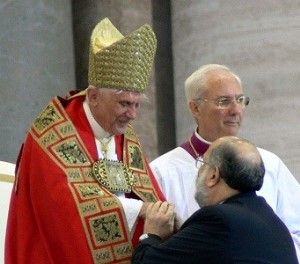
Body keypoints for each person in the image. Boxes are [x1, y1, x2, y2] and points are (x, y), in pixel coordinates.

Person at [5, 18, 165, 264]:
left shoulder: (124, 133)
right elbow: (64, 209)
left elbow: (148, 194)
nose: (132, 115)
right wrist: (141, 211)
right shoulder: (53, 134)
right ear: (93, 96)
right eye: (124, 104)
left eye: (136, 105)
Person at [150, 64, 300, 261]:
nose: (236, 110)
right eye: (224, 101)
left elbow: (296, 231)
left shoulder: (269, 163)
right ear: (195, 107)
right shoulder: (162, 171)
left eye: (240, 100)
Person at [133, 136, 298, 263]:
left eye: (203, 163)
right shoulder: (273, 222)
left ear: (213, 175)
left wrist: (151, 234)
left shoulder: (218, 219)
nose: (199, 171)